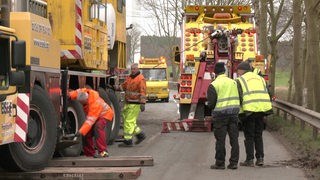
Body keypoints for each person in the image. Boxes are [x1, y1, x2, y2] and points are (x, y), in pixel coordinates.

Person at [236, 61, 273, 167]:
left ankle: (250, 160)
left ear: (242, 70)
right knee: (258, 135)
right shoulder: (260, 78)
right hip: (262, 110)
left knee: (249, 136)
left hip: (249, 111)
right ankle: (260, 158)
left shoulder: (240, 80)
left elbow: (239, 96)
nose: (238, 73)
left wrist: (238, 112)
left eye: (238, 70)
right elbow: (268, 93)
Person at [207, 62, 240, 170]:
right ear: (224, 71)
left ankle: (220, 163)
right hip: (234, 115)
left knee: (220, 140)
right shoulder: (234, 83)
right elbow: (240, 97)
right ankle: (234, 162)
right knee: (234, 139)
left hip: (220, 116)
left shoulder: (214, 85)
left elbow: (211, 104)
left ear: (215, 73)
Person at [68, 88, 114, 158]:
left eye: (83, 103)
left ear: (86, 100)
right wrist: (69, 95)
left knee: (98, 127)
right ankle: (90, 153)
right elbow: (76, 92)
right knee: (86, 133)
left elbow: (90, 121)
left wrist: (80, 131)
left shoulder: (94, 104)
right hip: (97, 116)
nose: (81, 104)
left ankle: (103, 152)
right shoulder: (84, 93)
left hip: (105, 115)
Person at [114, 63, 147, 147]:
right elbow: (124, 86)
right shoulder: (130, 78)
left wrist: (143, 103)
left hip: (135, 104)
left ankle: (128, 140)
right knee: (128, 121)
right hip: (128, 102)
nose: (132, 70)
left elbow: (143, 91)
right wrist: (115, 87)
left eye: (134, 69)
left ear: (138, 69)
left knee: (129, 121)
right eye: (132, 69)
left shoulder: (140, 79)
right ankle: (140, 135)